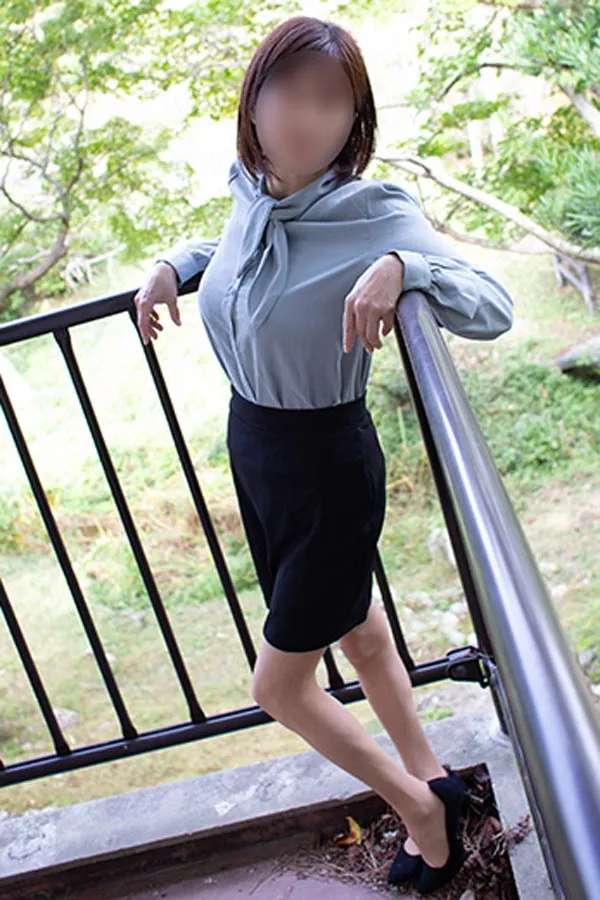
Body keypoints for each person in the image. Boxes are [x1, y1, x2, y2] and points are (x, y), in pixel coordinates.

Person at [134, 15, 513, 895]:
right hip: (257, 450)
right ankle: (435, 776)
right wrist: (174, 264)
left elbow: (492, 304)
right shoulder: (252, 190)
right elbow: (245, 255)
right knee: (361, 631)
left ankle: (419, 813)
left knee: (279, 688)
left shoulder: (373, 211)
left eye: (330, 101)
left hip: (328, 463)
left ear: (355, 120)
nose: (306, 116)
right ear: (253, 103)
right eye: (286, 93)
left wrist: (404, 268)